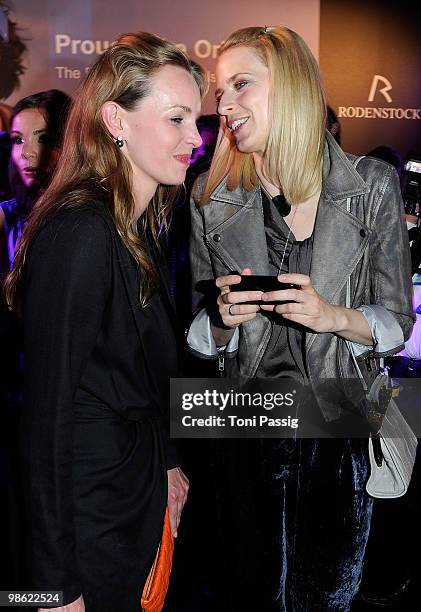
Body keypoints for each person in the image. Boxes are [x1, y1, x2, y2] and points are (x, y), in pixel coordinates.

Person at [187, 26, 413, 611]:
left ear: (290, 85)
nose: (225, 106)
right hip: (244, 424)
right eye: (219, 92)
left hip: (338, 421)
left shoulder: (371, 187)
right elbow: (193, 333)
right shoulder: (209, 197)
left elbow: (396, 322)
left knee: (327, 595)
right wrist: (219, 319)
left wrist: (334, 316)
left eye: (241, 84)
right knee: (249, 594)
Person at [4, 32, 204, 612]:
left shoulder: (132, 225)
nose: (195, 137)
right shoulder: (82, 231)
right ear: (116, 119)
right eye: (176, 119)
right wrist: (52, 588)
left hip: (127, 500)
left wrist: (166, 458)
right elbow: (43, 421)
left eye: (195, 118)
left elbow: (133, 374)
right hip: (84, 528)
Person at [0, 89, 71, 280]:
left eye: (44, 138)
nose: (26, 152)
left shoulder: (90, 214)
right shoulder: (10, 213)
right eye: (18, 140)